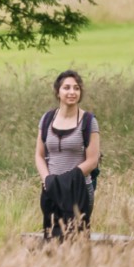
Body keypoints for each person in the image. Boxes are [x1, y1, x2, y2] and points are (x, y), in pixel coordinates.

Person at [34, 70, 100, 242]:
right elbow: (39, 155)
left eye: (76, 88)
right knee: (52, 241)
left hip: (79, 190)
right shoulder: (47, 119)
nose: (72, 92)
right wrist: (47, 180)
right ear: (58, 92)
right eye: (67, 88)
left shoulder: (88, 121)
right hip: (51, 189)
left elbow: (93, 160)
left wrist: (67, 180)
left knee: (76, 239)